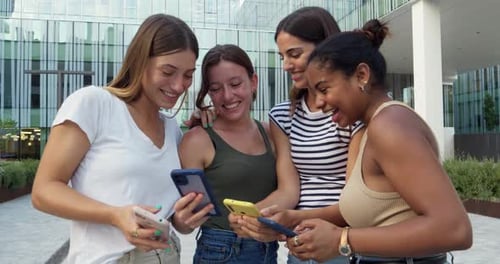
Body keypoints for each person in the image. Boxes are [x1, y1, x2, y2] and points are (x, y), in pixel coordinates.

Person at [282, 19, 473, 263]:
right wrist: (291, 218)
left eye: (324, 88)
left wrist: (342, 240)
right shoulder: (369, 129)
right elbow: (363, 212)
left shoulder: (390, 125)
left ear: (361, 75)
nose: (318, 102)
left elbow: (454, 229)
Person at [31, 14, 199, 264]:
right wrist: (115, 215)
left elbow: (169, 214)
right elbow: (43, 191)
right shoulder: (93, 103)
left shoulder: (172, 128)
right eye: (168, 71)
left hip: (167, 255)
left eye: (188, 75)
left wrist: (183, 222)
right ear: (141, 61)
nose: (178, 85)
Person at [239, 7, 364, 264]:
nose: (285, 65)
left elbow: (356, 204)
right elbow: (289, 190)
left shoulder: (354, 110)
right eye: (282, 56)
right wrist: (253, 214)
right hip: (301, 246)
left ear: (326, 49)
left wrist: (294, 218)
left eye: (294, 54)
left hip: (343, 244)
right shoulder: (283, 115)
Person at [173, 44, 292, 263]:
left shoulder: (271, 133)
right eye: (216, 88)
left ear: (253, 82)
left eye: (235, 84)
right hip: (220, 251)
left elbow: (289, 191)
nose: (227, 96)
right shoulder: (197, 139)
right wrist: (182, 219)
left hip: (268, 249)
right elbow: (186, 221)